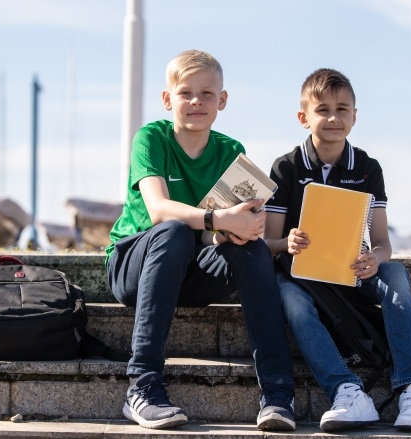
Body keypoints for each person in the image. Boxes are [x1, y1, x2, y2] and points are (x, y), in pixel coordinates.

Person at [105, 49, 297, 431]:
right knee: (174, 231)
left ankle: (278, 394)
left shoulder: (230, 151)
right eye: (185, 93)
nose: (196, 101)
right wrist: (218, 219)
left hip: (190, 267)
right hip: (133, 266)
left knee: (251, 248)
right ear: (167, 99)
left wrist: (242, 228)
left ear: (222, 101)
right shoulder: (151, 139)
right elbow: (159, 210)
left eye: (207, 94)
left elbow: (220, 234)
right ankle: (141, 387)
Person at [263, 68, 411, 432]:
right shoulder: (286, 167)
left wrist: (377, 259)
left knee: (397, 275)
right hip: (301, 275)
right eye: (322, 109)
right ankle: (347, 390)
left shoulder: (368, 168)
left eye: (342, 109)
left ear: (355, 117)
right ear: (303, 117)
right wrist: (286, 242)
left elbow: (384, 243)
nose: (333, 117)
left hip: (352, 271)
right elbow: (269, 243)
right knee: (290, 300)